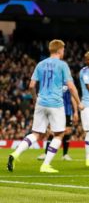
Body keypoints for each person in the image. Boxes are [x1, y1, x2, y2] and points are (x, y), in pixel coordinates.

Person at [7, 39, 83, 173]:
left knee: (36, 134)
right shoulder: (62, 65)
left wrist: (35, 98)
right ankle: (46, 165)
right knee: (59, 134)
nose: (64, 52)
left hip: (41, 102)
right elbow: (71, 87)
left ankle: (15, 154)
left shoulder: (40, 64)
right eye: (63, 49)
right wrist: (79, 102)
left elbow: (31, 86)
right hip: (55, 103)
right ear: (59, 50)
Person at [38, 84, 79, 161]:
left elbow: (72, 97)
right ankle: (46, 153)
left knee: (67, 132)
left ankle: (65, 155)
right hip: (55, 110)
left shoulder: (69, 83)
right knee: (51, 131)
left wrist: (76, 111)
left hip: (67, 111)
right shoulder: (54, 82)